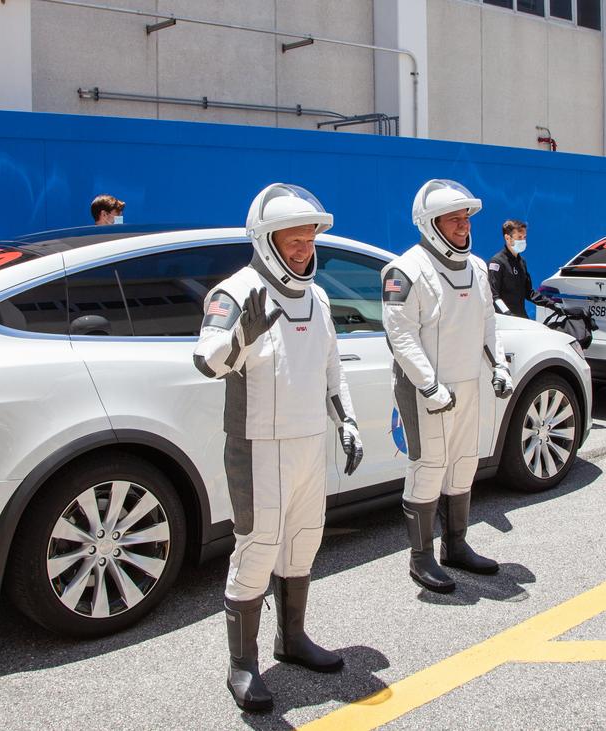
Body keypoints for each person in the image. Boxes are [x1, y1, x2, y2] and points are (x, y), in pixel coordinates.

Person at [192, 183, 364, 713]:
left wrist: (348, 421)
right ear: (266, 240)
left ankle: (292, 640)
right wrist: (241, 334)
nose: (303, 249)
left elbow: (331, 366)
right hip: (258, 445)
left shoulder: (318, 294)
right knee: (257, 547)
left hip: (309, 438)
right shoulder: (235, 292)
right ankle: (242, 665)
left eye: (309, 238)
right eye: (293, 239)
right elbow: (207, 361)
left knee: (304, 540)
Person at [381, 179, 513, 594]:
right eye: (452, 219)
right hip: (427, 392)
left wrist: (500, 364)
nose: (462, 225)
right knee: (428, 467)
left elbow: (488, 321)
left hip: (468, 384)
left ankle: (456, 545)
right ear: (429, 223)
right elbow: (401, 336)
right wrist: (430, 385)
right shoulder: (405, 270)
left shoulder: (475, 267)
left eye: (465, 218)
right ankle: (420, 559)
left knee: (463, 464)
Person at [487, 219, 565, 319]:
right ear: (507, 238)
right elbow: (494, 296)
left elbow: (529, 293)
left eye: (524, 237)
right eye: (519, 237)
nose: (523, 241)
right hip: (504, 320)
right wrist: (507, 314)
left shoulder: (521, 262)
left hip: (521, 318)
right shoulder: (497, 262)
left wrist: (553, 305)